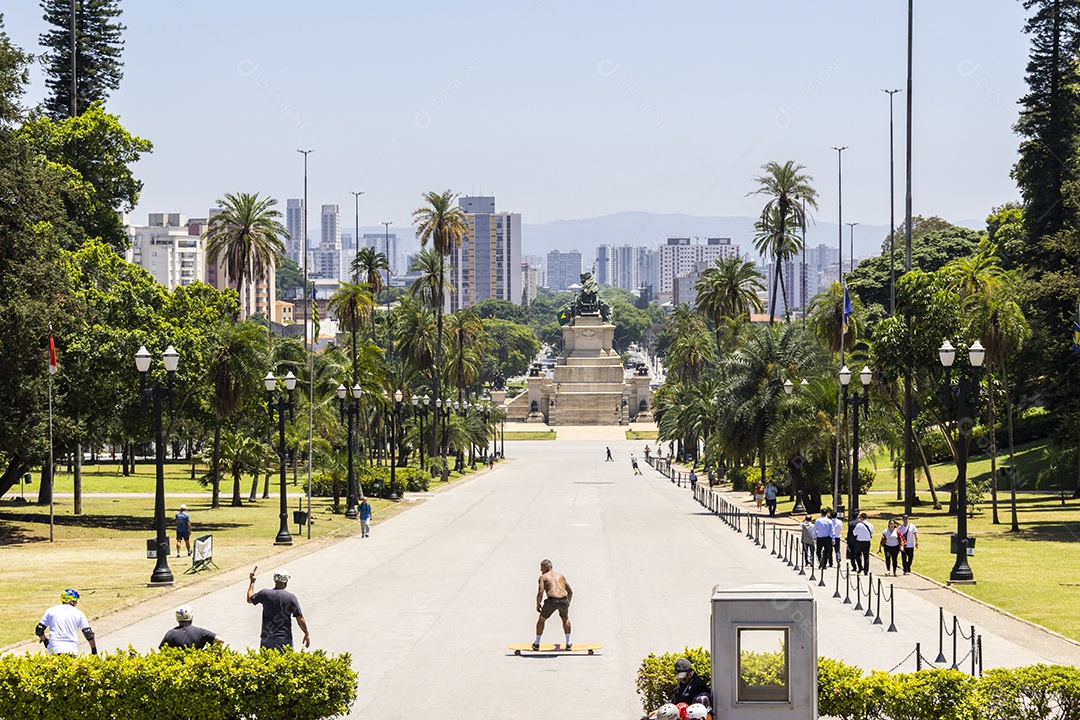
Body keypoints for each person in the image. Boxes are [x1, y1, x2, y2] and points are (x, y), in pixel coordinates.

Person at [247, 568, 310, 650]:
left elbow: (249, 599)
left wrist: (252, 582)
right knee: (285, 661)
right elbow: (300, 619)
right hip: (284, 638)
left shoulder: (264, 594)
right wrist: (306, 633)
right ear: (286, 580)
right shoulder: (291, 598)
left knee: (267, 661)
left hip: (267, 638)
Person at [36, 589, 97, 655]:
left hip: (54, 648)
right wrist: (94, 650)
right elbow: (88, 633)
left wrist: (45, 641)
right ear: (71, 601)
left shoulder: (51, 611)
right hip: (71, 648)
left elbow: (39, 629)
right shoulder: (78, 613)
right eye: (76, 600)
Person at [534, 559, 572, 651]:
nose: (540, 570)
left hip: (552, 600)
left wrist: (538, 604)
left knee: (541, 620)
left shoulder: (543, 577)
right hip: (564, 600)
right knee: (565, 619)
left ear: (546, 567)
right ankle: (568, 643)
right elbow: (570, 591)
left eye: (541, 567)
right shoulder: (560, 575)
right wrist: (568, 603)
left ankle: (537, 644)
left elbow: (540, 592)